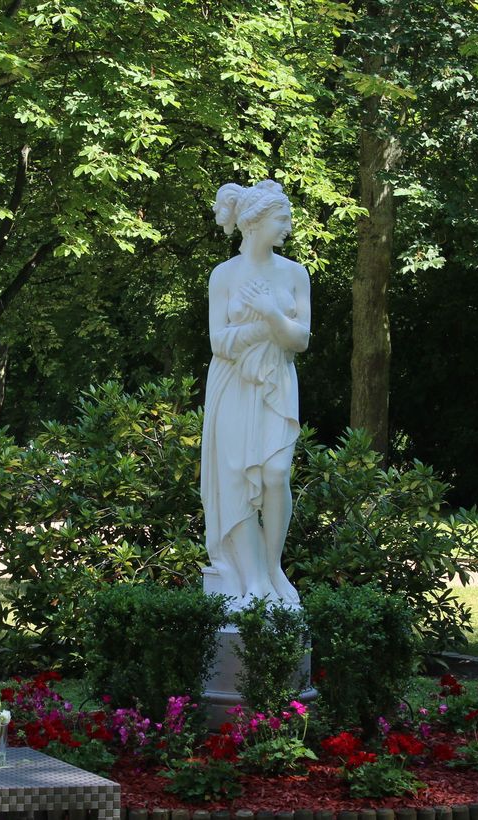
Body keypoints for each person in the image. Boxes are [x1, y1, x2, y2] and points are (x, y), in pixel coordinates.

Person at [202, 180, 311, 607]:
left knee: (274, 474)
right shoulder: (224, 275)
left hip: (277, 384)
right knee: (237, 481)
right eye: (281, 219)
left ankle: (272, 567)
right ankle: (253, 581)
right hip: (232, 386)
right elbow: (218, 342)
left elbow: (300, 340)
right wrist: (263, 325)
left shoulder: (293, 272)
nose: (287, 227)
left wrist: (270, 313)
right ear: (255, 222)